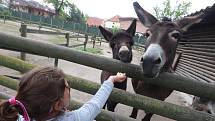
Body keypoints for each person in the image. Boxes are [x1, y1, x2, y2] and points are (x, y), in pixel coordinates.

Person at [0, 66, 126, 121]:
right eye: (67, 86)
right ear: (58, 104)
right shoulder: (74, 118)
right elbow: (95, 104)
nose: (69, 86)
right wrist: (110, 80)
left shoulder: (19, 115)